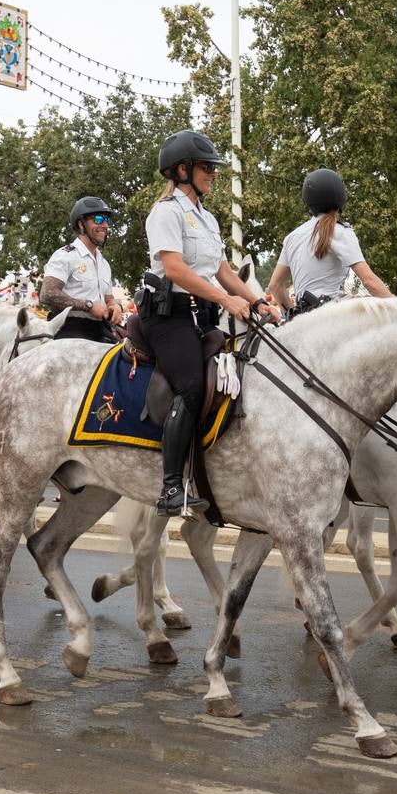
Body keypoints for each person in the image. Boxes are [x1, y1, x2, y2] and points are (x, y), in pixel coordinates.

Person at [143, 129, 280, 516]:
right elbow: (174, 268)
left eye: (213, 168)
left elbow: (222, 271)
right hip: (168, 318)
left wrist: (258, 302)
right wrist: (225, 300)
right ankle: (171, 486)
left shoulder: (207, 219)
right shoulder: (165, 213)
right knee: (190, 387)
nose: (213, 174)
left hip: (200, 317)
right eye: (207, 167)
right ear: (182, 170)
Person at [267, 168, 392, 316]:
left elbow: (275, 285)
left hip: (304, 320)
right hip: (334, 317)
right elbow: (369, 281)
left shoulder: (292, 237)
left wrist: (293, 316)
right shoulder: (341, 231)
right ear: (340, 196)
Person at [40, 196, 118, 342]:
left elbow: (109, 299)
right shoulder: (65, 255)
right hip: (69, 328)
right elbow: (47, 294)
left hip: (101, 328)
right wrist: (88, 306)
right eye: (98, 220)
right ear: (81, 224)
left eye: (106, 220)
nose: (105, 225)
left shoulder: (104, 263)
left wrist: (115, 306)